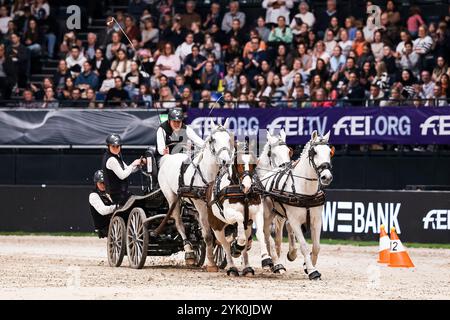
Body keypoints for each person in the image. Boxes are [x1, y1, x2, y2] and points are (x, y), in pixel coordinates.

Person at [102, 134, 143, 206]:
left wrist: (139, 165)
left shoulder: (117, 156)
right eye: (113, 146)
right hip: (117, 195)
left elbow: (127, 169)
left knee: (139, 200)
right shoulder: (111, 159)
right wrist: (133, 164)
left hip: (122, 192)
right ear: (108, 146)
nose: (116, 148)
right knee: (139, 203)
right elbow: (122, 175)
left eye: (117, 146)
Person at [88, 170, 117, 238]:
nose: (103, 185)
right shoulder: (93, 195)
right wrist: (117, 207)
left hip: (115, 222)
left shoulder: (111, 192)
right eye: (100, 183)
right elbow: (103, 211)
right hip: (104, 226)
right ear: (96, 183)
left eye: (105, 183)